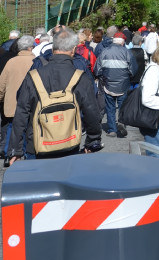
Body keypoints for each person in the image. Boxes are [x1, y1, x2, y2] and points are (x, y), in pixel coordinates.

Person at [8, 27, 102, 161]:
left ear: (53, 49)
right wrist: (92, 141)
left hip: (37, 144)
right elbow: (92, 111)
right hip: (69, 143)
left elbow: (21, 111)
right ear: (74, 50)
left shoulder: (33, 76)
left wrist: (16, 150)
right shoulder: (81, 77)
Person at [0, 35, 34, 157]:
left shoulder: (11, 62)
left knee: (11, 127)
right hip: (32, 102)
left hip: (12, 102)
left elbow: (1, 84)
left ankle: (10, 154)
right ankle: (28, 154)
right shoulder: (37, 61)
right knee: (30, 129)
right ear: (31, 47)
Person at [95, 31, 133, 137]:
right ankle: (121, 122)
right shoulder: (127, 52)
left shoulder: (104, 52)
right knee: (122, 106)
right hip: (123, 85)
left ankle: (112, 129)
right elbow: (133, 69)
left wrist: (101, 77)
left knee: (110, 107)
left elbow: (97, 69)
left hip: (108, 84)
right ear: (123, 42)